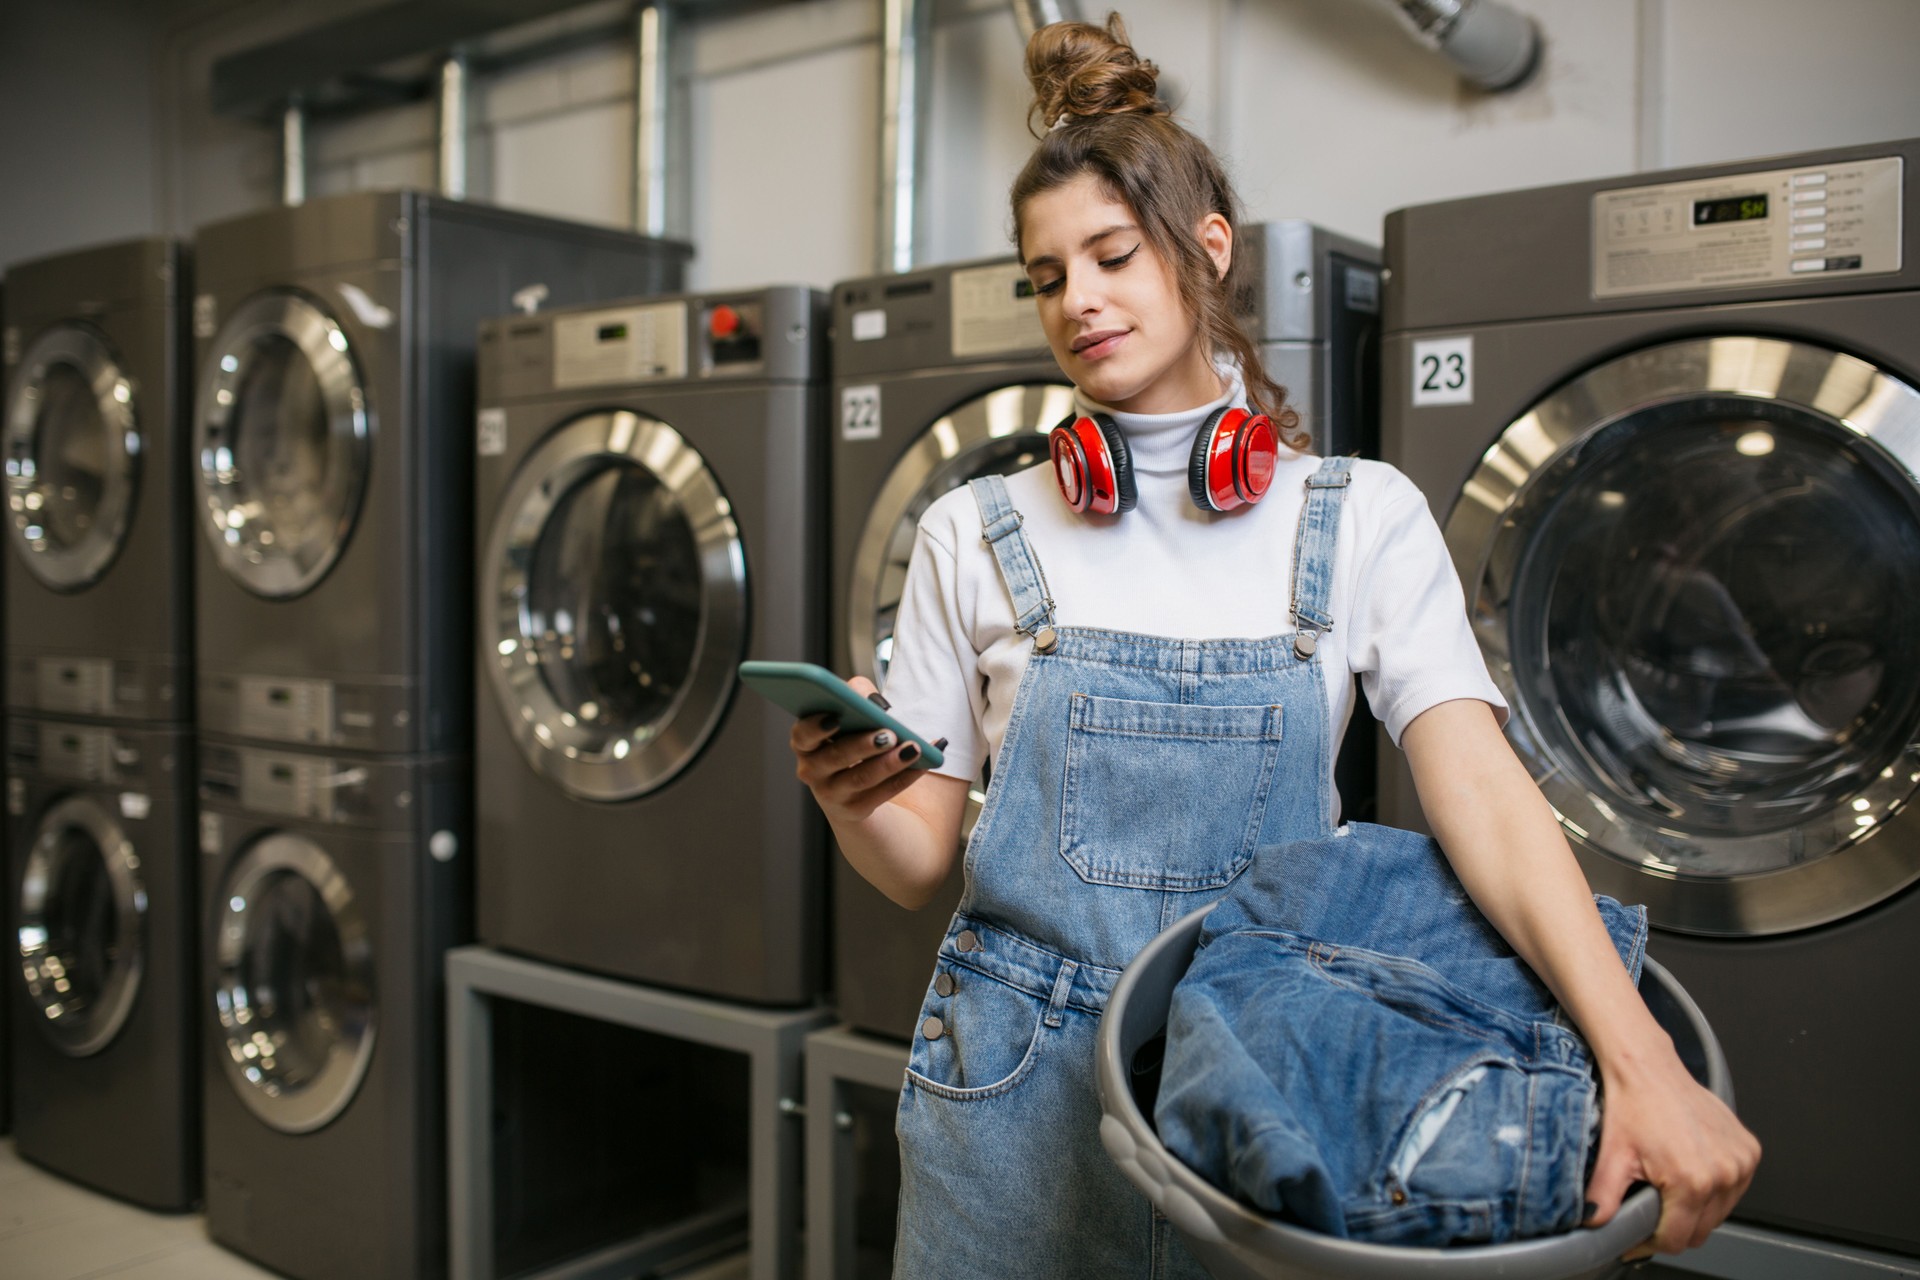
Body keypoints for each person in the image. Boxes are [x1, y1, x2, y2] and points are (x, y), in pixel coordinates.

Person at [792, 13, 1759, 1278]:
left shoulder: (1355, 517)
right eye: (1045, 275)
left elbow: (1482, 794)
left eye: (1111, 254)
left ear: (1205, 250)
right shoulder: (975, 529)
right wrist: (845, 793)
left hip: (1260, 1069)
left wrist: (1641, 1060)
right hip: (1007, 1086)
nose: (1076, 299)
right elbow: (918, 856)